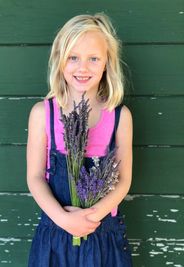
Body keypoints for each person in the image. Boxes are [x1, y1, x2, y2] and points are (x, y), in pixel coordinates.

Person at [27, 13, 133, 267]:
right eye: (73, 57)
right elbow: (35, 177)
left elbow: (123, 180)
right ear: (60, 60)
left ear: (107, 63)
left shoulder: (120, 116)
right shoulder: (43, 114)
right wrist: (64, 220)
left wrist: (90, 218)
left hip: (103, 235)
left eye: (93, 59)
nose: (82, 67)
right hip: (55, 235)